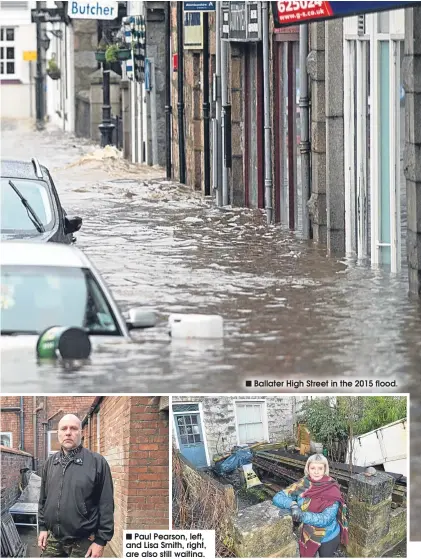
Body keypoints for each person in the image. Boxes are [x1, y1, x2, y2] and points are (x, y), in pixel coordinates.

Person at [38, 414, 114, 558]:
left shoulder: (97, 463)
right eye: (64, 429)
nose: (68, 432)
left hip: (84, 541)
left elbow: (106, 504)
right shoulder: (50, 463)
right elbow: (43, 498)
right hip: (54, 538)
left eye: (73, 428)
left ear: (81, 433)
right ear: (58, 433)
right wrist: (42, 527)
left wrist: (101, 540)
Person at [272, 454, 348, 558]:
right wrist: (293, 505)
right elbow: (278, 497)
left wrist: (301, 515)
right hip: (308, 533)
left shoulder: (332, 488)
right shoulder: (304, 483)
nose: (316, 472)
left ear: (325, 469)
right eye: (313, 468)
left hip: (328, 536)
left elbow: (326, 519)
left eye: (320, 468)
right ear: (308, 468)